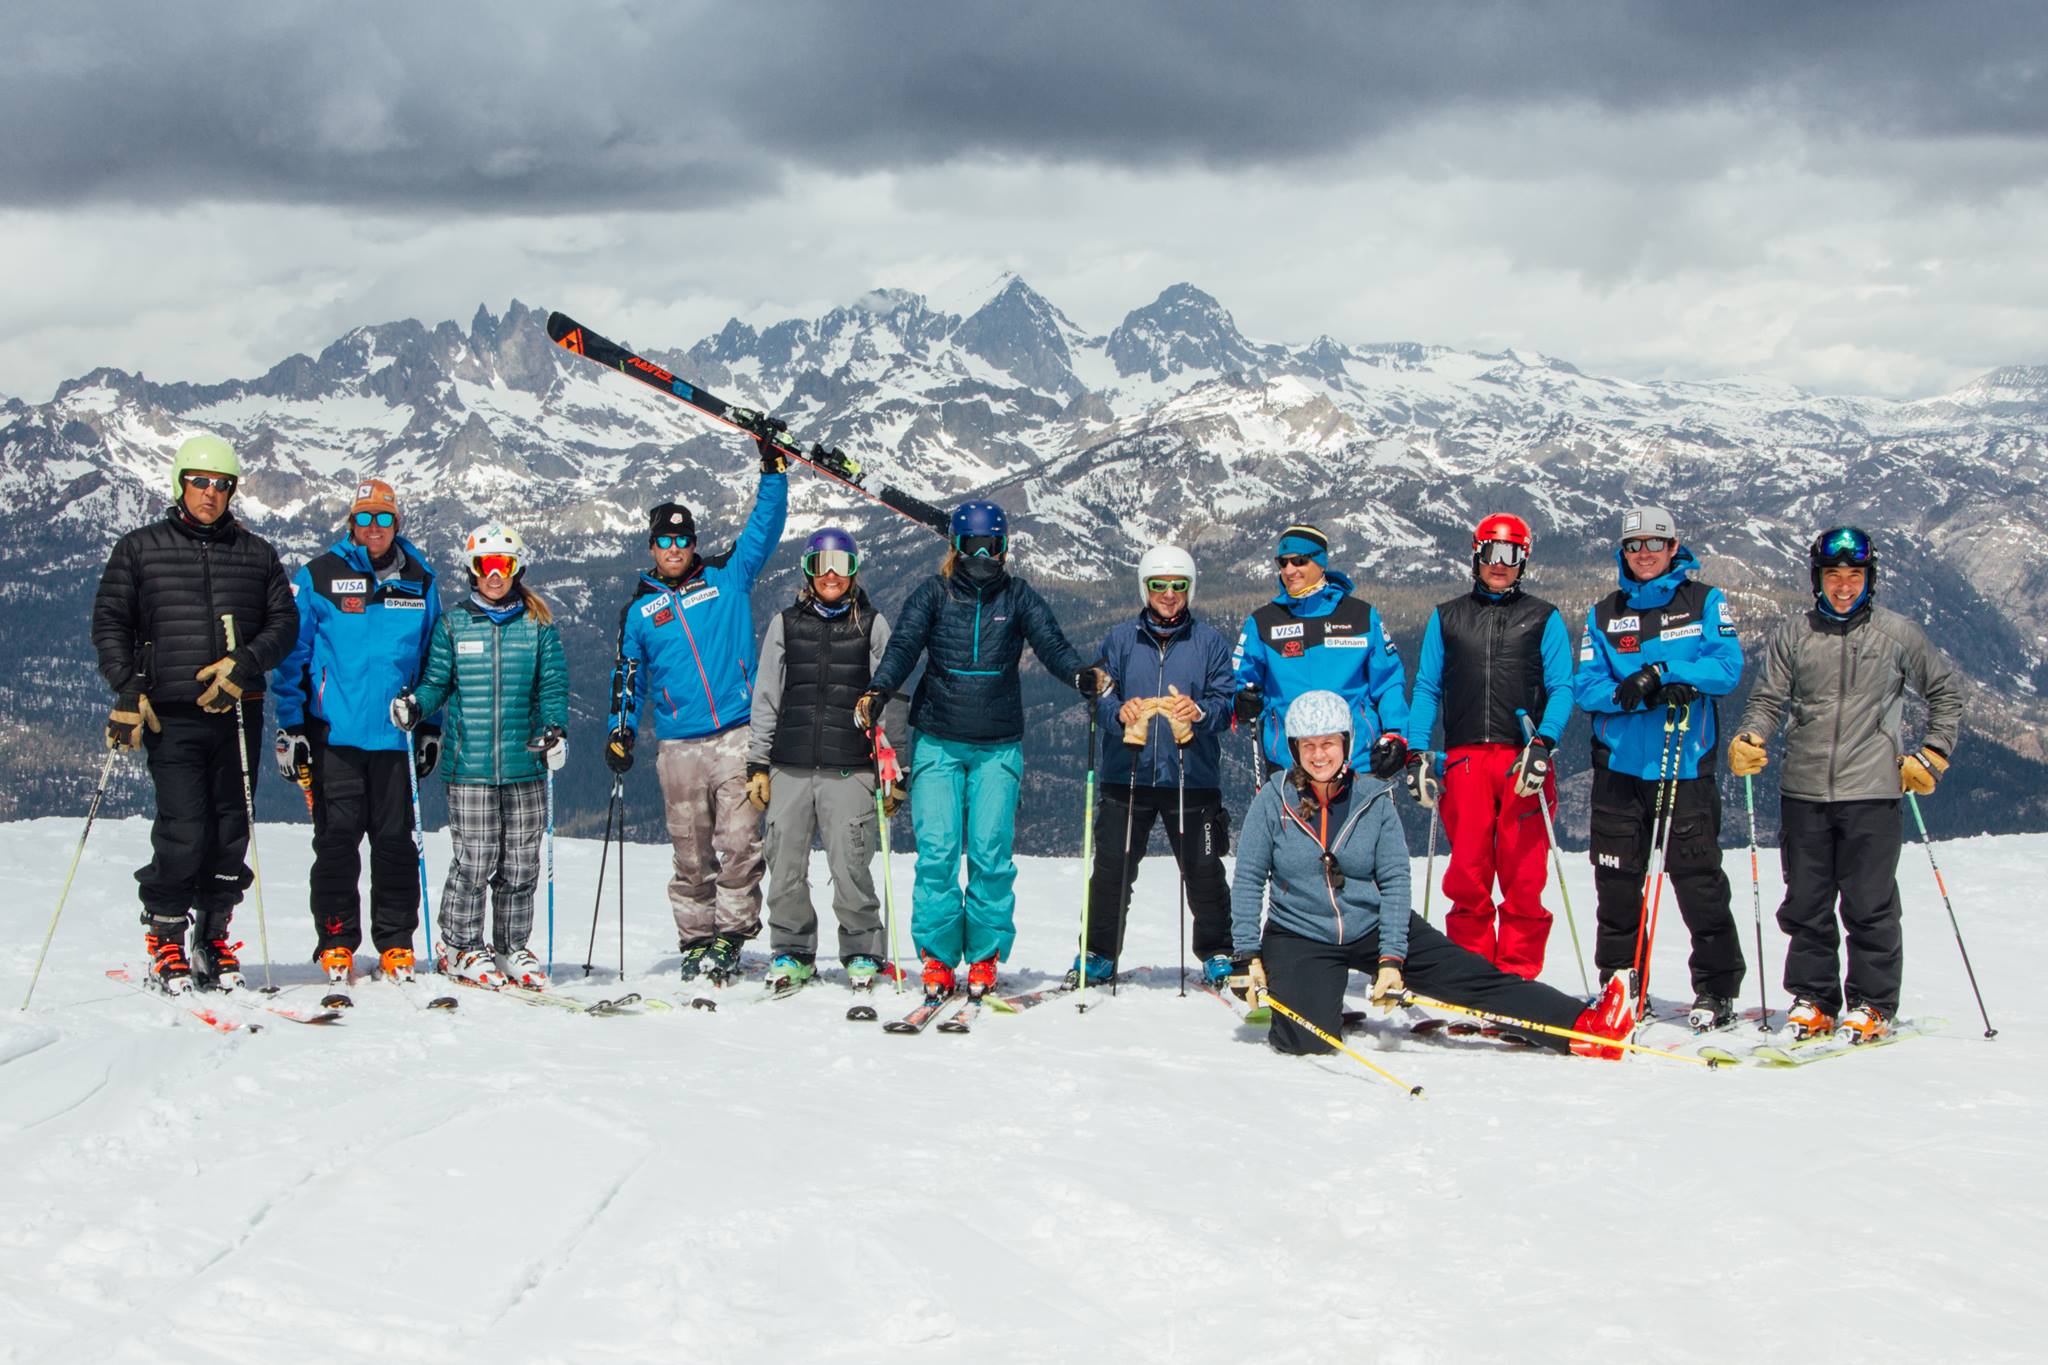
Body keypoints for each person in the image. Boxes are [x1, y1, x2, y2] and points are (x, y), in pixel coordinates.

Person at [1230, 690, 1637, 1058]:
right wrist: (1247, 955)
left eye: (1329, 744)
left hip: (1373, 924)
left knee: (1471, 977)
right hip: (1300, 933)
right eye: (1309, 746)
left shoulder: (1374, 799)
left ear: (1346, 744)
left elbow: (1393, 881)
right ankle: (1318, 996)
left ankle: (1583, 1026)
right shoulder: (1273, 799)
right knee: (1307, 1041)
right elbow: (1249, 877)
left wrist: (1391, 958)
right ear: (1295, 749)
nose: (1320, 756)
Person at [858, 500, 1109, 1002]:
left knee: (991, 854)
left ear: (1004, 548)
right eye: (971, 545)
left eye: (989, 545)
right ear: (954, 546)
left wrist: (1079, 674)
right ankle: (936, 955)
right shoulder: (933, 593)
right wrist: (879, 688)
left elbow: (1053, 645)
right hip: (937, 740)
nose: (981, 554)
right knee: (938, 852)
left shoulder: (1017, 597)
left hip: (997, 745)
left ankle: (985, 954)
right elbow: (903, 646)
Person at [1729, 526, 1963, 1043]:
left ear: (1868, 578)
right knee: (1806, 902)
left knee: (1869, 903)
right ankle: (1814, 999)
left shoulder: (1897, 634)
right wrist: (1750, 734)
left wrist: (1933, 753)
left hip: (1873, 790)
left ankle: (1873, 1003)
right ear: (1818, 577)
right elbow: (1768, 699)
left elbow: (1946, 693)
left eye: (1853, 575)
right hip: (1804, 790)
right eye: (1833, 575)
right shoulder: (1795, 633)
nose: (1843, 586)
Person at [92, 434, 297, 992]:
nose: (211, 494)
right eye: (201, 482)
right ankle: (165, 935)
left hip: (236, 710)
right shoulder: (140, 549)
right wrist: (129, 690)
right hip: (170, 712)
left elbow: (284, 625)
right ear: (181, 483)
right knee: (184, 826)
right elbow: (111, 623)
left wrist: (243, 664)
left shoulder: (256, 554)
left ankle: (213, 933)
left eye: (222, 485)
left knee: (231, 827)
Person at [605, 444, 789, 983]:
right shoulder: (639, 610)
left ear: (693, 544)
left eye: (683, 539)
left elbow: (763, 528)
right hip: (679, 745)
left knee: (739, 843)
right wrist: (620, 730)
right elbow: (628, 676)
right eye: (665, 540)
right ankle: (695, 940)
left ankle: (731, 937)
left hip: (737, 733)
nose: (675, 548)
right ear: (652, 546)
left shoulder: (727, 577)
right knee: (690, 851)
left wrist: (773, 472)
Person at [1572, 505, 1745, 1028]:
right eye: (1634, 545)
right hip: (1621, 769)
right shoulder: (1603, 614)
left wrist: (1666, 670)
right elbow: (1587, 686)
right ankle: (1622, 983)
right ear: (1622, 553)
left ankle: (1716, 989)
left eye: (1655, 543)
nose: (1644, 553)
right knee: (1617, 884)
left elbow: (1726, 667)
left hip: (1684, 766)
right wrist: (1635, 694)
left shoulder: (1703, 601)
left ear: (1674, 549)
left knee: (1698, 882)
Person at [271, 478, 443, 985]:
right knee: (336, 843)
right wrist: (292, 725)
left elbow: (436, 660)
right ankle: (336, 940)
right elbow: (291, 656)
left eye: (383, 519)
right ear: (351, 523)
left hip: (395, 740)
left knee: (395, 843)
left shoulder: (421, 580)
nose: (374, 529)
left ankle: (394, 943)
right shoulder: (319, 575)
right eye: (364, 519)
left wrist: (430, 724)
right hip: (335, 737)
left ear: (397, 523)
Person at [391, 524, 568, 988]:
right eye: (485, 565)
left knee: (520, 863)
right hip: (468, 766)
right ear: (473, 569)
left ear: (516, 569)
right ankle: (460, 946)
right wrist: (416, 705)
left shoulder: (537, 625)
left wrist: (554, 729)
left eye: (503, 565)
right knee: (475, 859)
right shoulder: (454, 624)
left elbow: (551, 686)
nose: (494, 574)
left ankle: (510, 946)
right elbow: (436, 685)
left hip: (525, 763)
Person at [1402, 514, 1574, 979]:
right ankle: (1473, 981)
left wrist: (1543, 743)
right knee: (1468, 878)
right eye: (1493, 554)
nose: (1501, 565)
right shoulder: (1448, 617)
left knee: (1523, 877)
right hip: (1464, 761)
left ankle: (1516, 980)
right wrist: (1418, 753)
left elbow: (1562, 688)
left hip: (1523, 761)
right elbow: (1427, 688)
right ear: (1476, 554)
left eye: (1512, 555)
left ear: (1524, 560)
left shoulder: (1543, 618)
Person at [746, 527, 905, 994]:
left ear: (854, 573)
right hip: (789, 764)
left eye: (842, 566)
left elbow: (889, 699)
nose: (831, 576)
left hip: (849, 766)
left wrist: (892, 772)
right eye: (822, 566)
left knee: (851, 864)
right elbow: (767, 695)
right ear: (808, 572)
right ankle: (793, 949)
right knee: (785, 863)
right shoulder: (785, 623)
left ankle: (861, 949)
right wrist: (757, 762)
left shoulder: (871, 625)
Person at [1077, 544, 1239, 990]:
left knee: (1204, 871)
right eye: (1159, 585)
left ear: (1190, 589)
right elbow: (1099, 696)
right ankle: (1097, 952)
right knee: (1112, 871)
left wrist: (1200, 712)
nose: (1169, 594)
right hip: (1126, 775)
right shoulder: (1120, 639)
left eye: (1178, 586)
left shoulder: (1208, 643)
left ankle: (1219, 951)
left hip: (1191, 777)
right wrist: (1119, 713)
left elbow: (1227, 704)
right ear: (1144, 588)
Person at [1230, 523, 1410, 781]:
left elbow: (1389, 682)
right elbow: (1238, 683)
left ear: (1321, 562)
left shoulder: (1360, 616)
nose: (1290, 570)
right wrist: (1241, 701)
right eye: (1283, 563)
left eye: (1299, 561)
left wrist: (1396, 732)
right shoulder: (1263, 622)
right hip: (1289, 765)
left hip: (1357, 763)